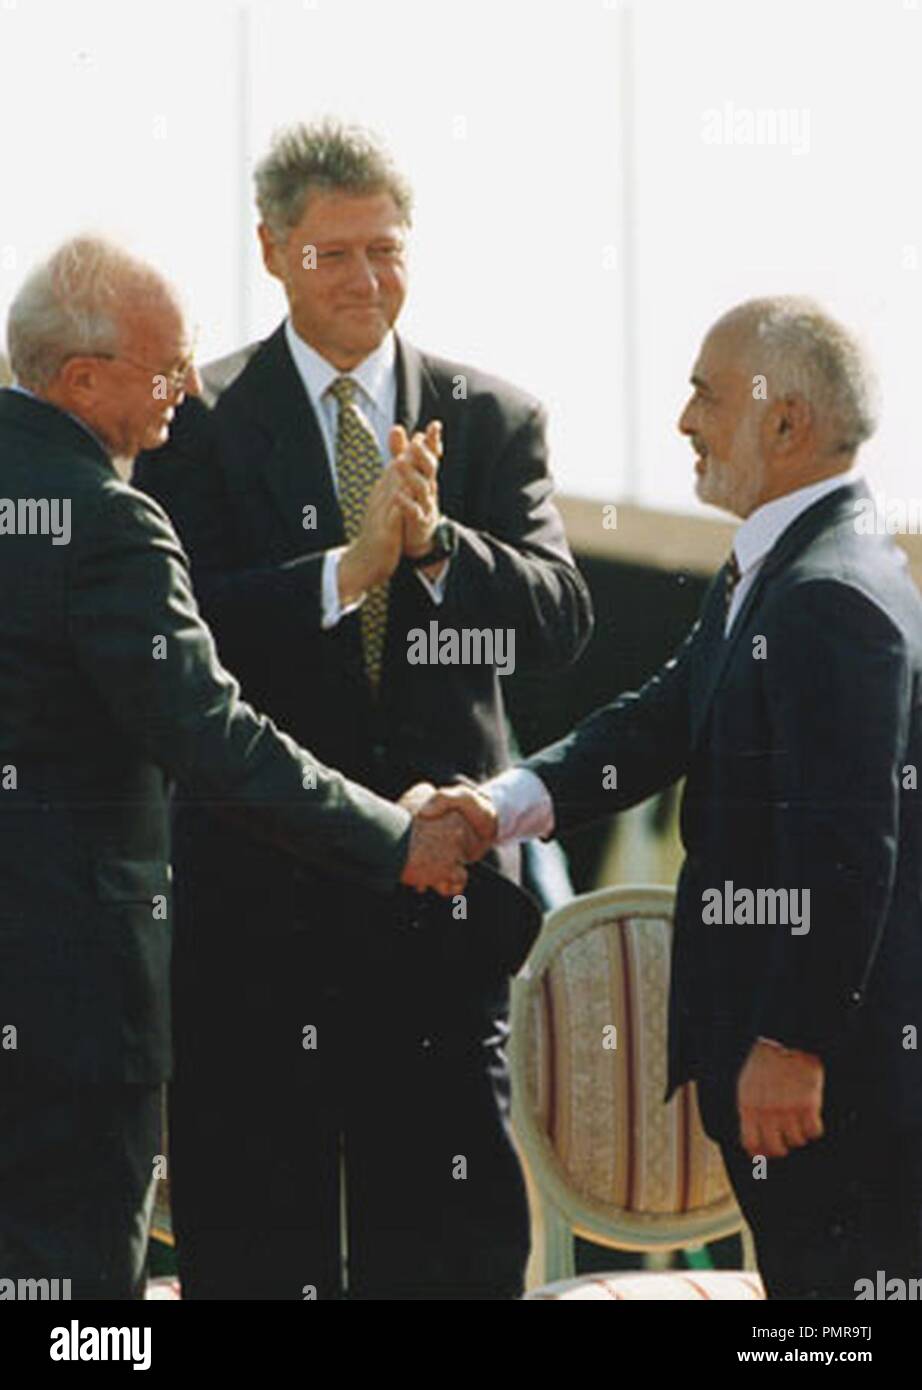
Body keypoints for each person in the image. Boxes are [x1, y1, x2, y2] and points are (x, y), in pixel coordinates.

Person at [133, 118, 592, 1300]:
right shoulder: (200, 418)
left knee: (449, 1247)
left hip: (440, 907)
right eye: (332, 254)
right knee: (257, 1243)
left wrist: (435, 548)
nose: (363, 280)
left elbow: (555, 625)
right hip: (259, 911)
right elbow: (186, 643)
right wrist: (349, 565)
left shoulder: (490, 419)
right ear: (273, 251)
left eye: (385, 250)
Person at [0, 235, 486, 1301]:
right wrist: (399, 837)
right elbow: (216, 739)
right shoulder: (111, 524)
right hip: (71, 1006)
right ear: (80, 381)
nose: (188, 387)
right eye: (165, 367)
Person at [419, 297, 922, 1300]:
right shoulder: (787, 566)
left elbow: (847, 847)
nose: (684, 421)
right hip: (806, 1069)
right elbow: (657, 722)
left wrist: (793, 1042)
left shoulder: (829, 594)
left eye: (705, 391)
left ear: (786, 424)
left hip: (831, 1084)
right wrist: (500, 803)